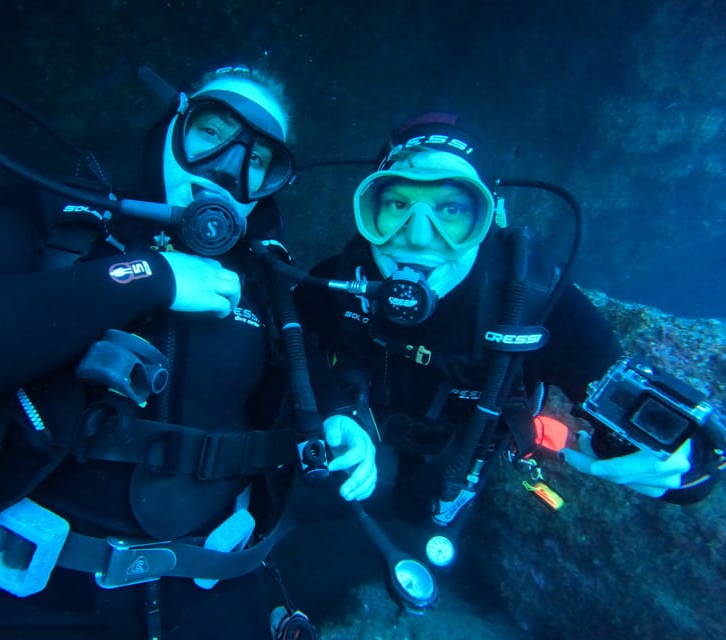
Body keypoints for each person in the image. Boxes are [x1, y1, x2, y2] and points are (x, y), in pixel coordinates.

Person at [0, 65, 376, 640]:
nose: (228, 170)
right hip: (21, 584)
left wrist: (343, 417)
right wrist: (143, 277)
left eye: (259, 160)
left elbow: (306, 379)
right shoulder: (52, 226)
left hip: (216, 588)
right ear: (169, 125)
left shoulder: (266, 287)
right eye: (212, 132)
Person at [295, 111, 724, 541]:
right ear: (369, 213)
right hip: (366, 418)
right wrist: (334, 408)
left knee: (417, 514)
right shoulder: (338, 279)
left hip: (464, 440)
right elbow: (286, 342)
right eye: (398, 205)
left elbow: (631, 398)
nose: (419, 237)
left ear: (488, 220)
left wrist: (686, 466)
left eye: (452, 209)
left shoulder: (533, 301)